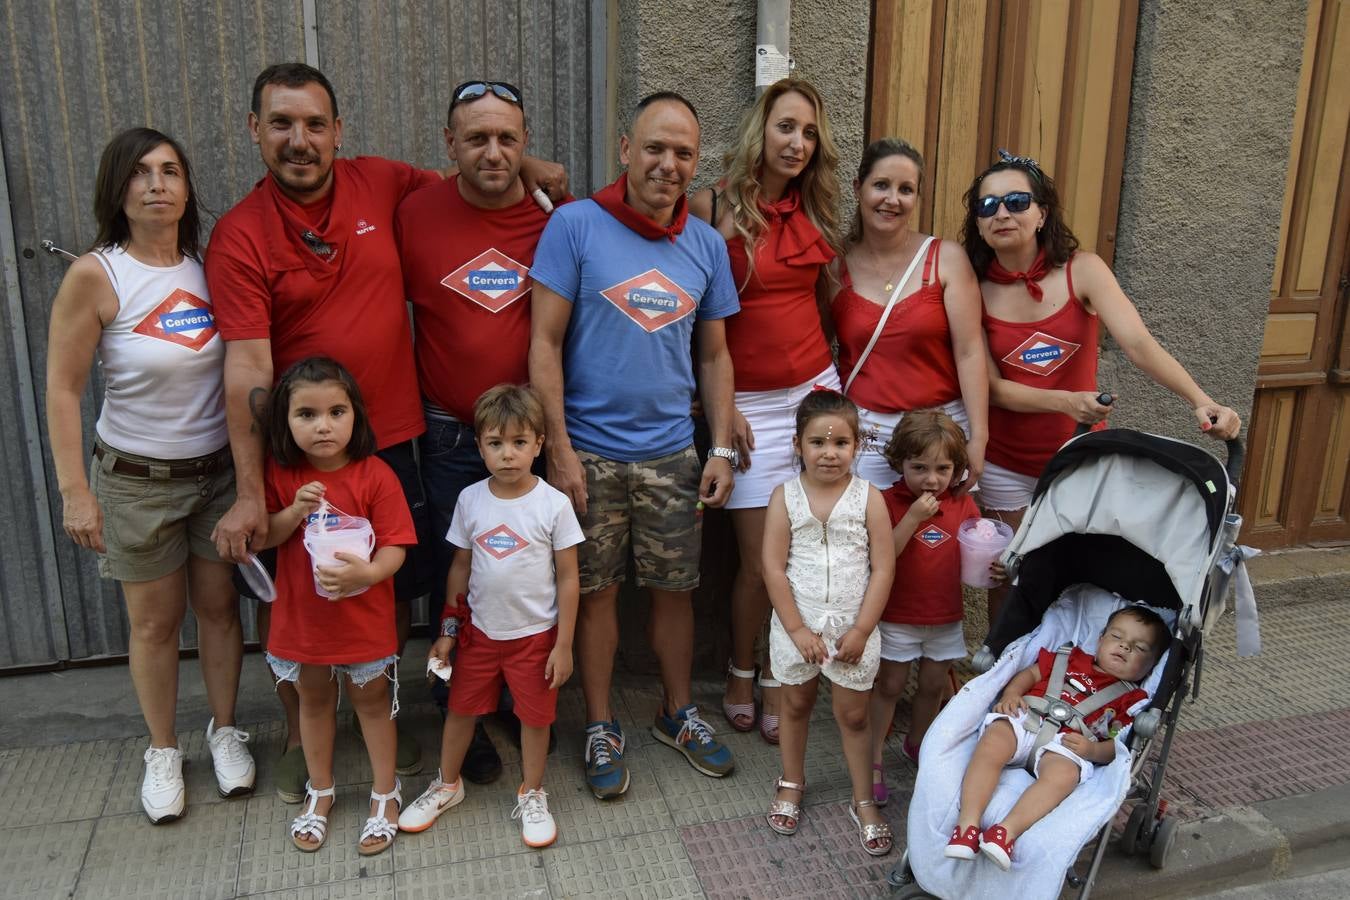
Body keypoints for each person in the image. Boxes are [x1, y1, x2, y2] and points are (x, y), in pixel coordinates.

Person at [528, 91, 740, 799]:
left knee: (676, 593)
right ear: (625, 149)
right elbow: (544, 344)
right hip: (588, 453)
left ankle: (677, 713)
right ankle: (598, 722)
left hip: (673, 456)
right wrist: (556, 450)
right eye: (655, 147)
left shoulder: (706, 246)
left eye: (683, 153)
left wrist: (721, 448)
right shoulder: (575, 226)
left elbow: (714, 358)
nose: (667, 164)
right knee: (596, 595)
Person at [45, 127, 254, 823]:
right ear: (118, 189)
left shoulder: (209, 261)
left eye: (170, 170)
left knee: (222, 611)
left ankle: (224, 730)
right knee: (155, 626)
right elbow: (64, 389)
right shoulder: (97, 275)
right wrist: (77, 492)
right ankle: (163, 750)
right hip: (137, 481)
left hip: (217, 475)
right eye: (139, 173)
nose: (157, 184)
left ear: (187, 186)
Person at [962, 149, 1240, 617]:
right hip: (1005, 462)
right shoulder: (972, 286)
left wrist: (1201, 399)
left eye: (1015, 201)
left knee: (1074, 571)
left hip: (1078, 458)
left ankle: (1057, 675)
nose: (1002, 214)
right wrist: (1065, 401)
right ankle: (1001, 674)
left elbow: (1137, 343)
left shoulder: (1082, 270)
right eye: (987, 206)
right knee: (1009, 578)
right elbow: (990, 387)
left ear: (1042, 211)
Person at [395, 79, 564, 781]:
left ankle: (518, 698)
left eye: (508, 139)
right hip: (450, 435)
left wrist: (538, 176)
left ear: (525, 144)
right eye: (476, 138)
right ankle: (458, 702)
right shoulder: (412, 213)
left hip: (532, 435)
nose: (493, 152)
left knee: (526, 567)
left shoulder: (557, 215)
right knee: (457, 572)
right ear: (449, 145)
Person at [689, 78, 841, 746]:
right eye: (786, 127)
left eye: (809, 133)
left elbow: (831, 303)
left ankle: (783, 671)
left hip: (813, 396)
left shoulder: (817, 207)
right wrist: (716, 406)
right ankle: (741, 667)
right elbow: (682, 314)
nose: (797, 143)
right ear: (761, 129)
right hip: (744, 403)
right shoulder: (711, 203)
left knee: (807, 550)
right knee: (758, 562)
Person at [397, 385, 582, 848]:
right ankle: (447, 783)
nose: (507, 455)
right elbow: (459, 567)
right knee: (460, 711)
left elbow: (568, 579)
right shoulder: (470, 500)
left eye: (519, 443)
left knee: (535, 720)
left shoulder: (553, 505)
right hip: (478, 637)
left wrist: (563, 645)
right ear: (478, 445)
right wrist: (448, 631)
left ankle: (533, 792)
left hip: (535, 638)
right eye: (495, 443)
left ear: (539, 444)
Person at [257, 357, 417, 856]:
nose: (323, 425)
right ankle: (321, 790)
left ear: (356, 417)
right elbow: (268, 535)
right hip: (306, 622)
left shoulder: (376, 476)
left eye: (335, 412)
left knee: (371, 702)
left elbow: (395, 546)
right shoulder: (284, 475)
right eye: (306, 414)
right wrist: (295, 510)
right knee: (314, 699)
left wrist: (367, 574)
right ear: (285, 421)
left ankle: (385, 794)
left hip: (362, 618)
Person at [762, 389, 896, 856]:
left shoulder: (869, 499)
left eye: (841, 442)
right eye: (818, 442)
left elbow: (884, 567)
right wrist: (797, 629)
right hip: (796, 629)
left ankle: (863, 799)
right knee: (794, 706)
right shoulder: (785, 497)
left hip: (853, 629)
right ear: (797, 444)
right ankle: (792, 782)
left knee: (854, 715)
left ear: (857, 446)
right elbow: (773, 567)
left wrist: (860, 630)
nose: (830, 452)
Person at [945, 605, 1168, 870]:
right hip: (1027, 717)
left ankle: (1005, 833)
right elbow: (1029, 674)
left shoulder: (1131, 699)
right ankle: (967, 824)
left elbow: (1119, 745)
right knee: (994, 739)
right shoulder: (1070, 658)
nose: (1125, 647)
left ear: (1151, 664)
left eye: (1139, 648)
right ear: (1100, 639)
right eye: (1117, 637)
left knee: (1064, 776)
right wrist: (1011, 694)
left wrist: (1093, 751)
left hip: (1067, 747)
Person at [828, 138, 988, 489]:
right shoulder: (833, 266)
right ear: (858, 188)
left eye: (906, 189)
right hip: (868, 435)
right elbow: (819, 351)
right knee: (869, 540)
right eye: (881, 185)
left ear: (917, 198)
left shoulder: (946, 258)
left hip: (942, 432)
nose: (892, 199)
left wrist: (979, 436)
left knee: (943, 539)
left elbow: (970, 352)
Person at [869, 409, 980, 803]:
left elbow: (973, 553)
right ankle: (873, 759)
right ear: (899, 462)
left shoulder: (963, 505)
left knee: (934, 685)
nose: (931, 479)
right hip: (898, 615)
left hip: (945, 615)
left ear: (957, 468)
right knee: (890, 685)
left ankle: (918, 744)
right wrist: (914, 517)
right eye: (919, 467)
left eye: (942, 468)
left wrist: (994, 564)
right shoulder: (887, 502)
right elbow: (884, 554)